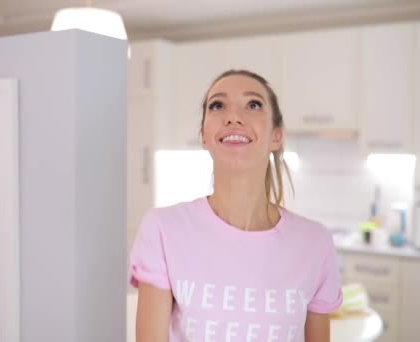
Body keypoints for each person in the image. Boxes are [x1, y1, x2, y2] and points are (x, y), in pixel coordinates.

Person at [129, 69, 342, 341]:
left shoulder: (315, 242)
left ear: (276, 136)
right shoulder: (163, 229)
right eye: (217, 105)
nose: (233, 116)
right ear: (204, 136)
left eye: (253, 104)